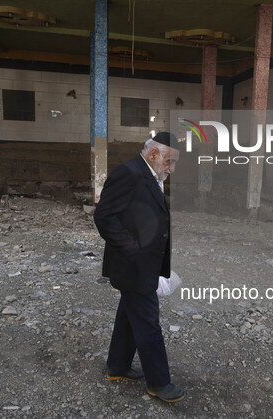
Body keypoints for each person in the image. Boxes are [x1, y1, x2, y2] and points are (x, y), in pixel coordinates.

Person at [93, 132, 184, 403]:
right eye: (169, 161)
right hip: (133, 266)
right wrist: (133, 250)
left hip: (142, 264)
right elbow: (104, 216)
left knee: (128, 315)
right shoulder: (129, 174)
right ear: (154, 154)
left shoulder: (149, 175)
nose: (172, 168)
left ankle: (118, 366)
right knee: (148, 323)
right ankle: (159, 383)